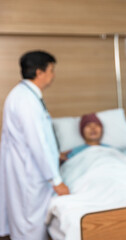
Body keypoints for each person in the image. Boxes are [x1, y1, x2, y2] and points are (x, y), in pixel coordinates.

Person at [0, 50, 70, 240]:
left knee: (27, 225)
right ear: (39, 72)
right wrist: (57, 181)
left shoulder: (26, 96)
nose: (53, 75)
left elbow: (40, 138)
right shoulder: (26, 101)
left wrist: (56, 155)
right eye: (51, 70)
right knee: (28, 227)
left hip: (27, 170)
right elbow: (37, 143)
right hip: (28, 174)